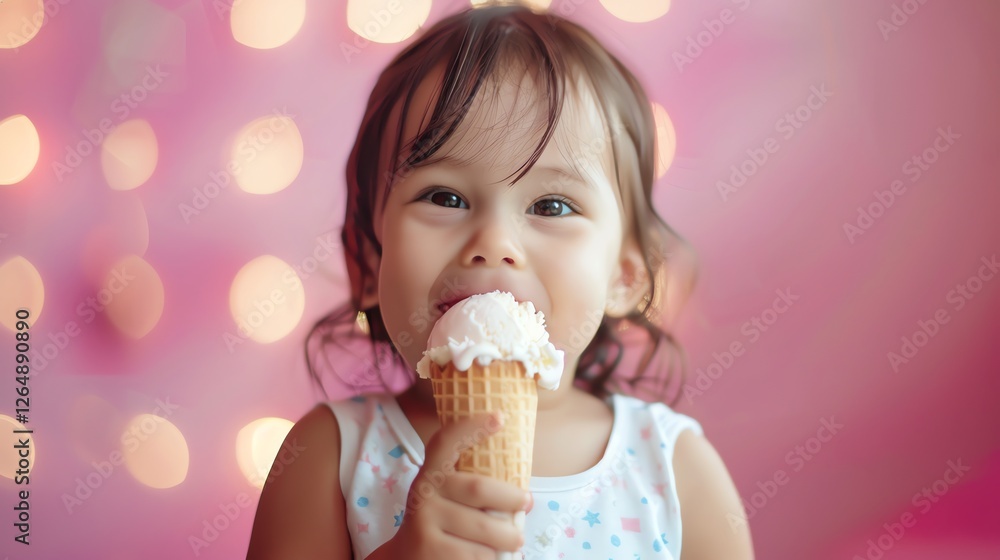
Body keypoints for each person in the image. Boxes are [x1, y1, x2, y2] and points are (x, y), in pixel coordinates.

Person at [247, 4, 754, 559]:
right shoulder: (328, 457)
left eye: (552, 205)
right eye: (445, 197)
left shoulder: (675, 473)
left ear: (625, 276)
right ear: (368, 262)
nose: (494, 241)